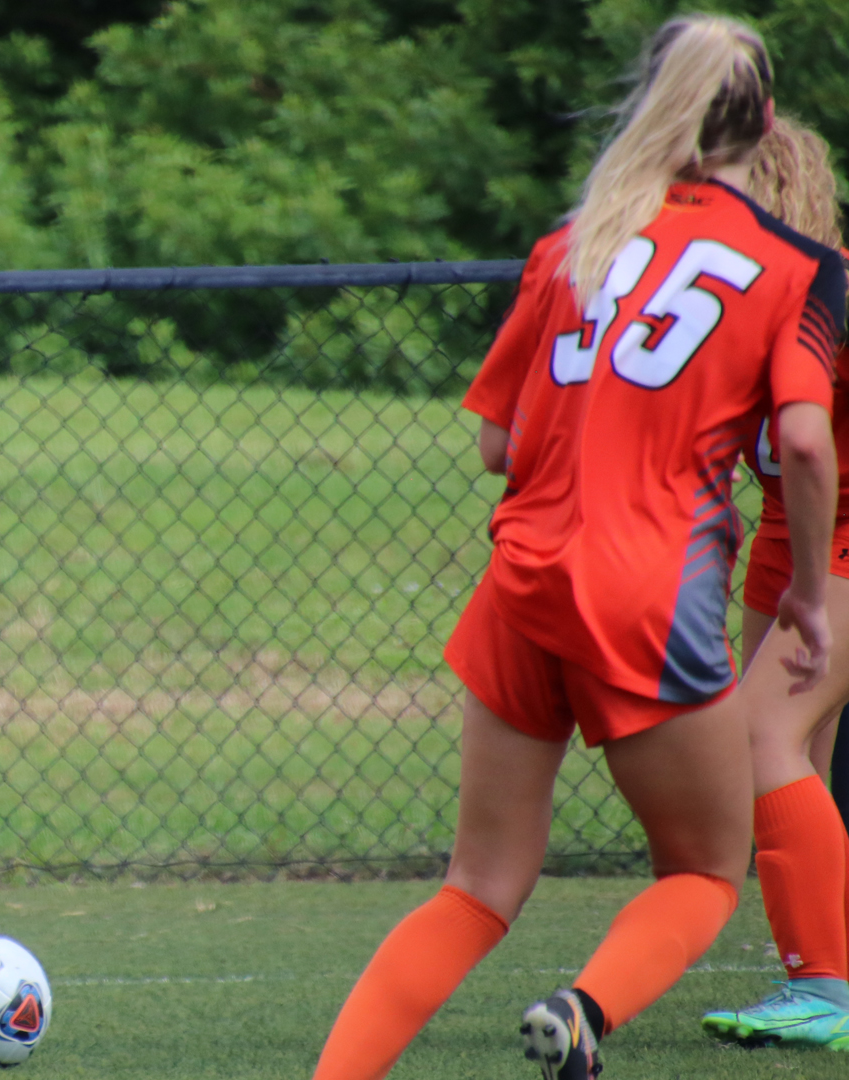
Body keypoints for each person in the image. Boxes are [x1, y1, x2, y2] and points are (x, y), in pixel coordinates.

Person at [309, 14, 845, 1080]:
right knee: (701, 871)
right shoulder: (797, 264)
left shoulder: (574, 242)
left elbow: (496, 443)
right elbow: (799, 438)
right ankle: (588, 1006)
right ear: (767, 122)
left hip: (524, 578)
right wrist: (813, 598)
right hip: (651, 587)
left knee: (477, 885)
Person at [699, 116, 849, 1049]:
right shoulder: (746, 287)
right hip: (785, 541)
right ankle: (830, 970)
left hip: (838, 543)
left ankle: (826, 993)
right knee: (799, 754)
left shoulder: (829, 281)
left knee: (758, 738)